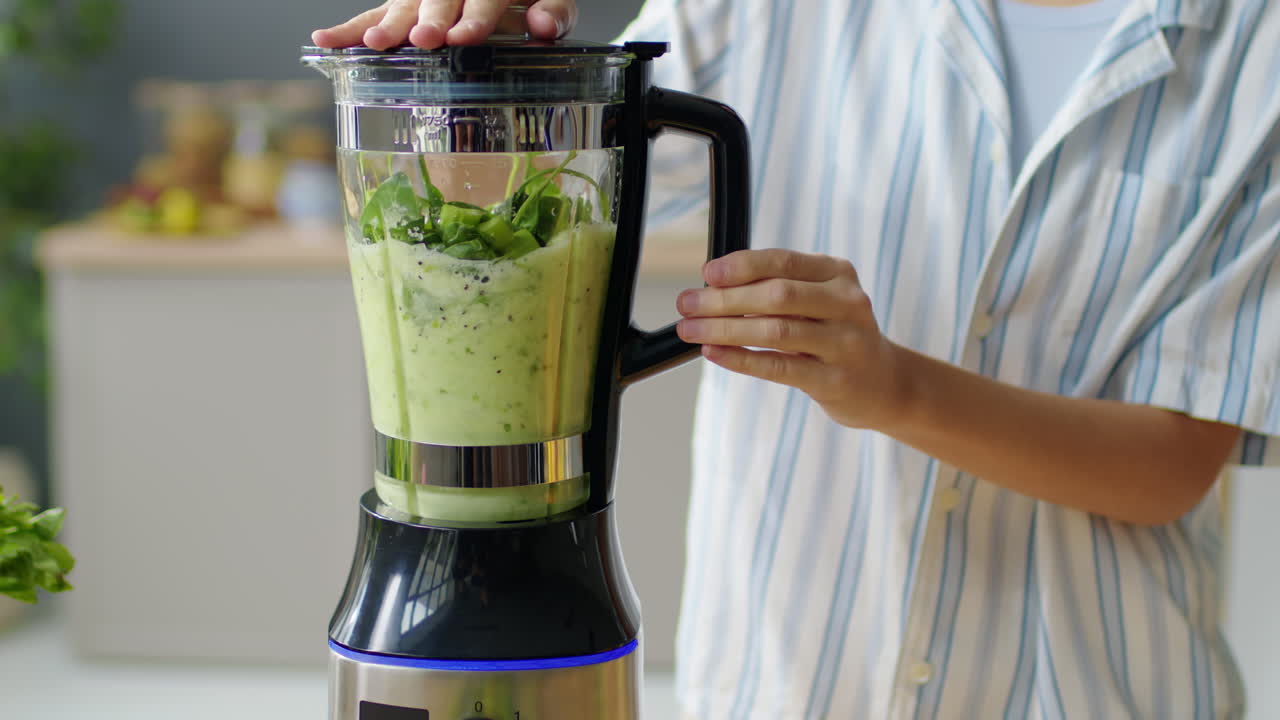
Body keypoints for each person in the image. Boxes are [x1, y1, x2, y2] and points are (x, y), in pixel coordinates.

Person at [314, 1, 1280, 717]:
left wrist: (898, 389)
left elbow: (1172, 463)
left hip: (1088, 687)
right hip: (787, 682)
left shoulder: (1256, 51)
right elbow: (509, 178)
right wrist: (478, 62)